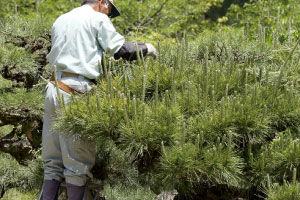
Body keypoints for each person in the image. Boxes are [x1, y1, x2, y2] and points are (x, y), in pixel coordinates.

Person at [42, 0, 157, 199]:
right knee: (77, 164)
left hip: (53, 88)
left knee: (52, 162)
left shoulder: (62, 19)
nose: (108, 15)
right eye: (109, 10)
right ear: (103, 2)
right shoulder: (97, 18)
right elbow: (121, 50)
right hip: (75, 92)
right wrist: (148, 48)